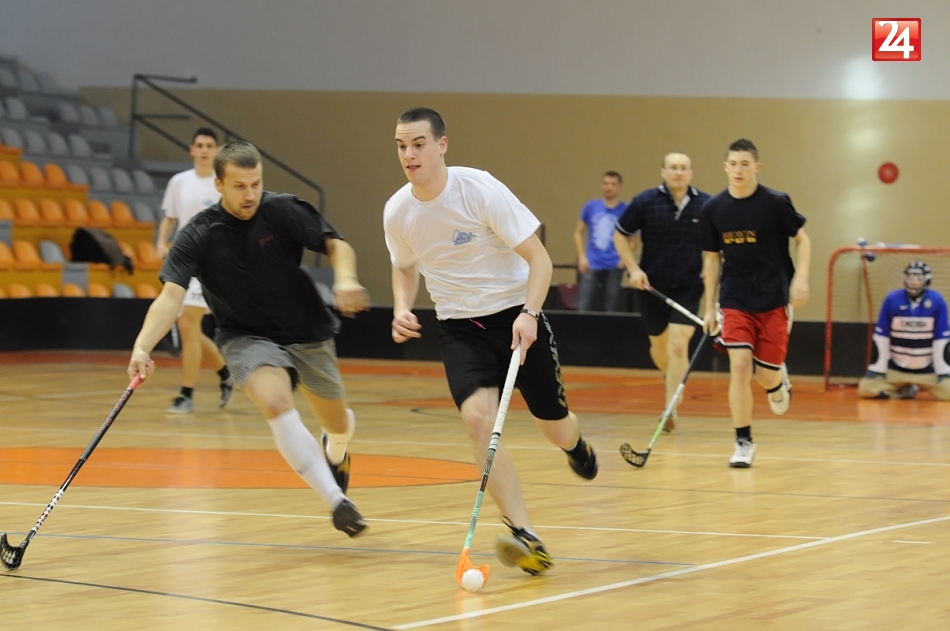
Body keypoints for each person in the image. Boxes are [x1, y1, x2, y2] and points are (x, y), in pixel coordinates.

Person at [384, 107, 598, 575]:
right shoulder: (398, 211)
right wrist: (402, 306)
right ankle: (525, 534)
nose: (409, 154)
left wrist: (529, 313)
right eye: (401, 146)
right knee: (478, 419)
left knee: (555, 427)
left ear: (442, 145)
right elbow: (403, 265)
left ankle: (575, 445)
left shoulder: (479, 189)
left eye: (418, 144)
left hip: (516, 316)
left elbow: (539, 260)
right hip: (460, 329)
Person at [128, 141, 369, 537]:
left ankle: (336, 446)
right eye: (239, 186)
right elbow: (170, 296)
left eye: (256, 183)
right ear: (219, 185)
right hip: (244, 334)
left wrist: (345, 278)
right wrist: (142, 346)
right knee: (275, 401)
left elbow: (335, 244)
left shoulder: (282, 210)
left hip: (307, 329)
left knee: (338, 422)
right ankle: (337, 502)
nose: (250, 194)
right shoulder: (198, 234)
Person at [700, 139, 811, 468]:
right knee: (739, 367)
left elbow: (803, 240)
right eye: (733, 164)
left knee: (764, 377)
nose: (738, 170)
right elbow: (711, 260)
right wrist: (709, 307)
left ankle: (777, 381)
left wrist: (801, 278)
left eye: (745, 164)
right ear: (725, 167)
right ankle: (743, 442)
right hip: (735, 298)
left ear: (756, 167)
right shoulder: (713, 209)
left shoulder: (775, 203)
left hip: (774, 297)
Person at [614, 152, 710, 432]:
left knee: (678, 345)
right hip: (652, 286)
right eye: (673, 167)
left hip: (690, 285)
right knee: (660, 348)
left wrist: (711, 267)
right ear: (663, 172)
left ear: (691, 173)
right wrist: (633, 269)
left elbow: (718, 244)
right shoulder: (645, 201)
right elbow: (620, 235)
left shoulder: (706, 204)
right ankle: (671, 377)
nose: (678, 172)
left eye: (683, 168)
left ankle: (670, 409)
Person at [156, 128, 232, 413]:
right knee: (189, 328)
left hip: (213, 264)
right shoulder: (179, 182)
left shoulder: (223, 183)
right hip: (185, 260)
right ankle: (225, 373)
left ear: (217, 150)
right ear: (191, 149)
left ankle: (186, 394)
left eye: (209, 145)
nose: (204, 150)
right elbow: (170, 217)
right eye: (199, 145)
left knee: (188, 322)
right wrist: (160, 242)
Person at [858, 261, 950, 400]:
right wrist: (877, 369)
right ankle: (903, 391)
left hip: (927, 371)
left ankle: (915, 386)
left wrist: (943, 372)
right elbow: (881, 337)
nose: (913, 282)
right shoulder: (892, 299)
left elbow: (941, 340)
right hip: (896, 370)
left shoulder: (937, 301)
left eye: (918, 279)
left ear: (927, 280)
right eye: (910, 278)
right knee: (866, 390)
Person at [573, 171, 627, 311]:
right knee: (583, 306)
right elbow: (578, 232)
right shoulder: (591, 206)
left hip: (614, 264)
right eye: (606, 183)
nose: (609, 187)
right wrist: (582, 257)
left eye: (613, 184)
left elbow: (633, 238)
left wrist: (625, 258)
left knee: (611, 308)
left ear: (619, 187)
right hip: (592, 263)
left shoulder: (626, 210)